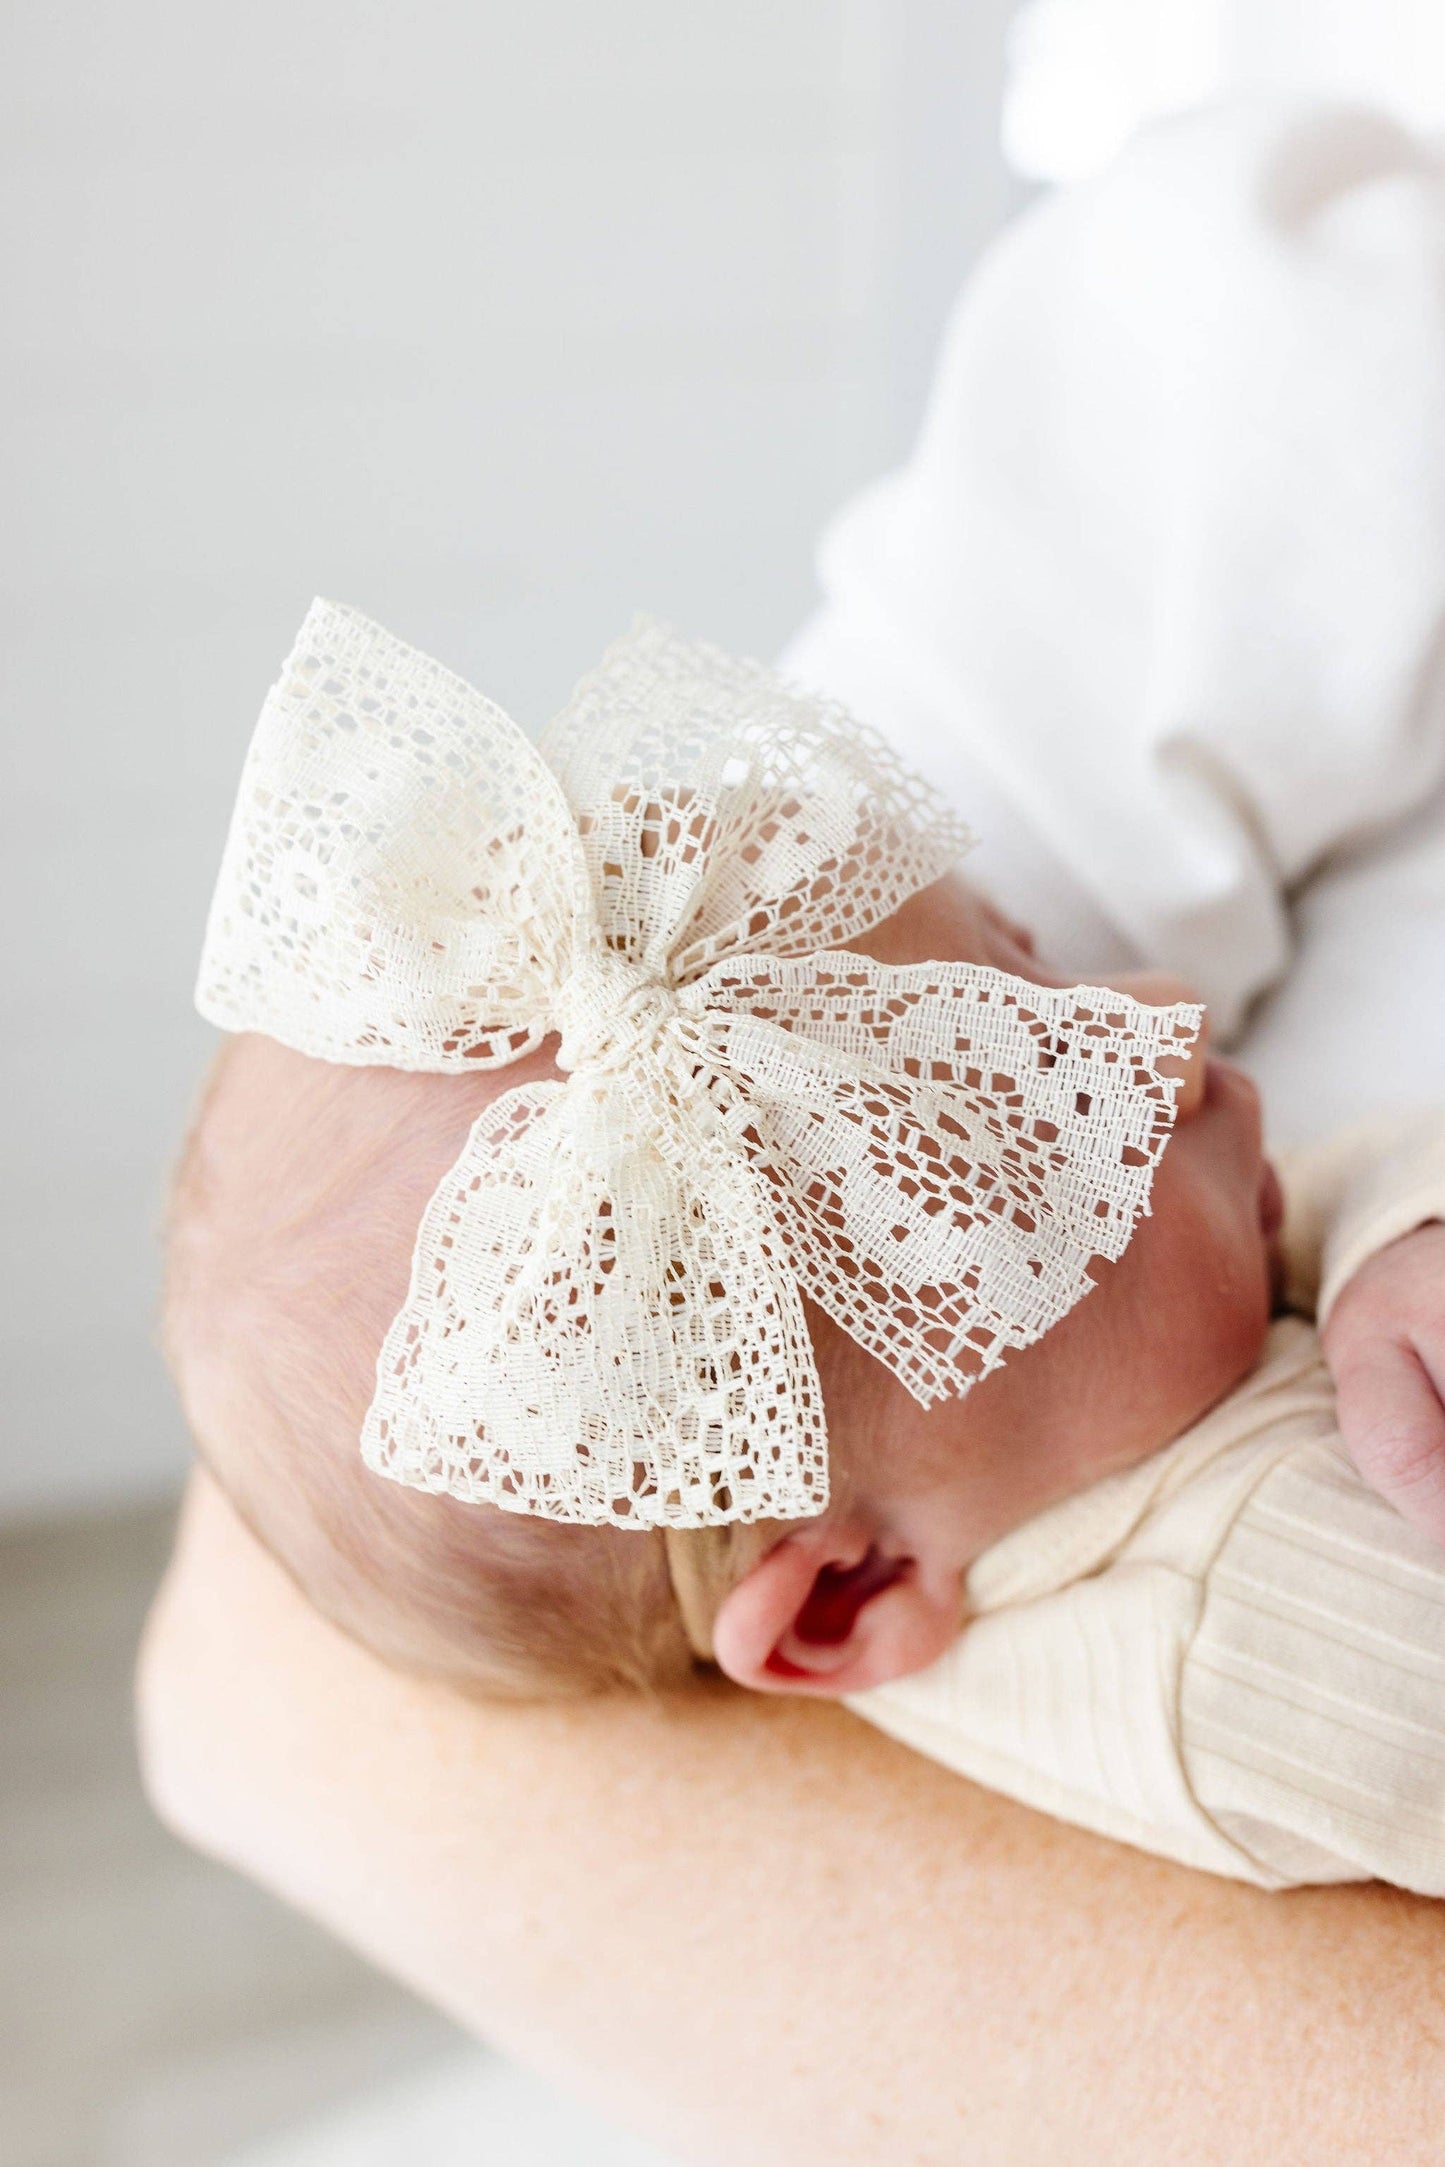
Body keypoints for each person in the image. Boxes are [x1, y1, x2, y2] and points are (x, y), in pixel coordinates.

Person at [163, 591, 1445, 1892]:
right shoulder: (1275, 1639)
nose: (1167, 1025)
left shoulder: (1097, 1410)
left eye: (1030, 961)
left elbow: (1346, 1196)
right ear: (850, 1598)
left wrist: (1395, 1234)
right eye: (1058, 1130)